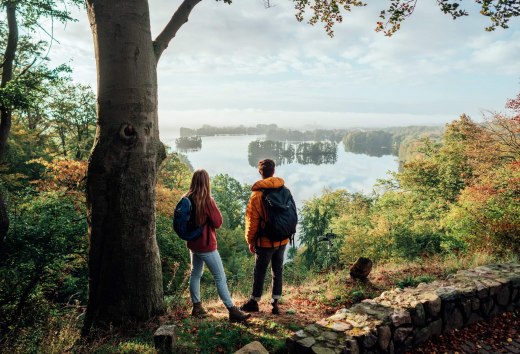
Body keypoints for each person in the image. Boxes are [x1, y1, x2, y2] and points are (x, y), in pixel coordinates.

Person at [185, 169, 250, 323]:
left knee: (195, 274)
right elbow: (218, 222)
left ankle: (197, 306)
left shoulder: (187, 198)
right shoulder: (207, 200)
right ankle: (232, 310)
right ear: (206, 182)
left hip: (193, 245)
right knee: (220, 277)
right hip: (207, 246)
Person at [240, 159, 295, 315]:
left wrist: (250, 241)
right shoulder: (285, 190)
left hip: (264, 242)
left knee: (260, 271)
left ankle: (254, 302)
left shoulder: (257, 195)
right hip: (283, 238)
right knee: (278, 270)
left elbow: (252, 222)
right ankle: (275, 302)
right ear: (273, 171)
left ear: (260, 172)